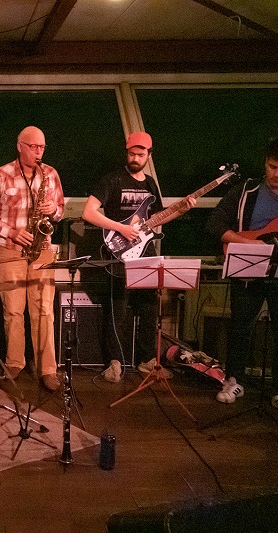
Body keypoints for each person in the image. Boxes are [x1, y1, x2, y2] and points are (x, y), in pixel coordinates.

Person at [206, 136, 278, 419]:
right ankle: (233, 380)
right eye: (272, 166)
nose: (277, 174)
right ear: (265, 163)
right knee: (240, 328)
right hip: (248, 271)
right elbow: (214, 224)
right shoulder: (244, 191)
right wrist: (250, 244)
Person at [82, 132, 195, 383]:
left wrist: (181, 210)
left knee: (149, 306)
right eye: (131, 153)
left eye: (140, 154)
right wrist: (121, 228)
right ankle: (114, 362)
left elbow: (158, 218)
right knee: (118, 308)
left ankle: (147, 360)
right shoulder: (112, 180)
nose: (135, 158)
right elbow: (88, 213)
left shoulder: (150, 184)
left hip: (145, 251)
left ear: (149, 155)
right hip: (118, 248)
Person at [0, 126, 64, 391]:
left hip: (42, 249)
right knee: (13, 310)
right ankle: (15, 362)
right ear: (20, 146)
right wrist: (12, 232)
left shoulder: (50, 174)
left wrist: (54, 209)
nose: (39, 152)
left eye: (42, 147)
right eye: (33, 147)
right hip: (10, 250)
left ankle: (47, 369)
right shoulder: (1, 175)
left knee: (45, 311)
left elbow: (60, 211)